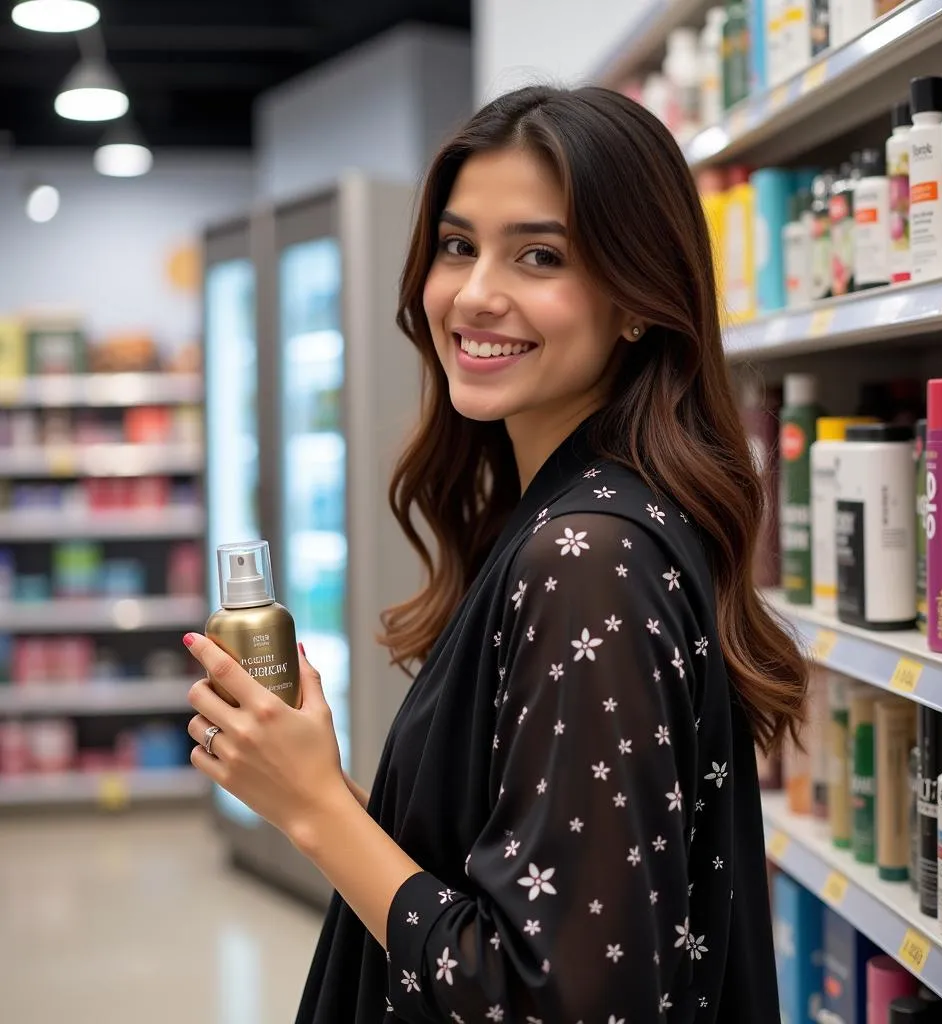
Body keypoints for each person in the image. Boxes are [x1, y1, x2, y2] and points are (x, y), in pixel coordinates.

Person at [184, 85, 807, 1023]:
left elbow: (553, 998)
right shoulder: (568, 513)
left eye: (541, 255)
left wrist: (318, 810)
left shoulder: (586, 557)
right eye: (457, 245)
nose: (475, 294)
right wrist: (313, 784)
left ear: (639, 300)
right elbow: (516, 882)